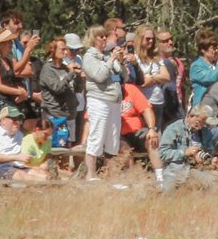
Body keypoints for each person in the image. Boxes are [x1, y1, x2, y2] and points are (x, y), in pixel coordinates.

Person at [81, 25, 125, 181]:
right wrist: (111, 60)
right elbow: (99, 76)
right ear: (93, 39)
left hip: (114, 101)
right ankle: (90, 175)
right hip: (99, 100)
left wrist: (120, 60)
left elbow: (120, 75)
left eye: (105, 36)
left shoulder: (107, 55)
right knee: (97, 136)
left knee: (113, 139)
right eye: (101, 37)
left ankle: (110, 176)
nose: (105, 39)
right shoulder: (89, 57)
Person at [157, 104, 218, 191]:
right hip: (175, 171)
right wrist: (184, 153)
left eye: (205, 123)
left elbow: (209, 152)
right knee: (169, 192)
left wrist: (210, 160)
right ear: (190, 116)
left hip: (199, 170)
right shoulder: (173, 129)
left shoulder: (206, 132)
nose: (202, 126)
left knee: (214, 184)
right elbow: (162, 153)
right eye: (200, 121)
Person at [0, 105, 49, 183]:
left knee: (43, 174)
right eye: (14, 119)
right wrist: (16, 157)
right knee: (22, 176)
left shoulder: (19, 134)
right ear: (3, 121)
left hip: (18, 167)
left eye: (19, 119)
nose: (17, 122)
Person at [37, 37, 81, 147]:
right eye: (62, 49)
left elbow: (78, 89)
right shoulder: (47, 69)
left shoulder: (65, 68)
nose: (65, 52)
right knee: (55, 147)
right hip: (54, 116)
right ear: (53, 50)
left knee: (67, 146)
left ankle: (66, 165)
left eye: (66, 49)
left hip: (68, 114)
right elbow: (57, 88)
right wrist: (71, 73)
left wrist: (79, 76)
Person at [119, 78, 163, 179]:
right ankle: (130, 178)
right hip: (119, 133)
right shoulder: (106, 93)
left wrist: (151, 129)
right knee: (124, 148)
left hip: (137, 131)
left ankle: (160, 178)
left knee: (152, 140)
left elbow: (146, 110)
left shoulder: (131, 89)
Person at [188, 31, 218, 110]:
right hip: (201, 107)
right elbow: (212, 78)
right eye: (214, 48)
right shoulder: (196, 66)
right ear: (203, 50)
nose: (217, 51)